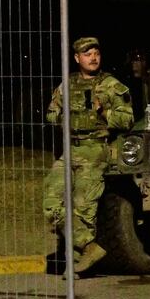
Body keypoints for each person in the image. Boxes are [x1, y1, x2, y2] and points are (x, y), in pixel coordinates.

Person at [43, 37, 134, 275]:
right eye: (87, 54)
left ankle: (75, 264)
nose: (93, 58)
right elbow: (51, 114)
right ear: (77, 58)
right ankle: (88, 247)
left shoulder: (111, 85)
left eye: (96, 53)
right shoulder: (67, 85)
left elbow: (127, 119)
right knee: (51, 205)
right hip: (70, 149)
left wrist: (103, 113)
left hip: (95, 150)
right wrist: (68, 118)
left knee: (82, 209)